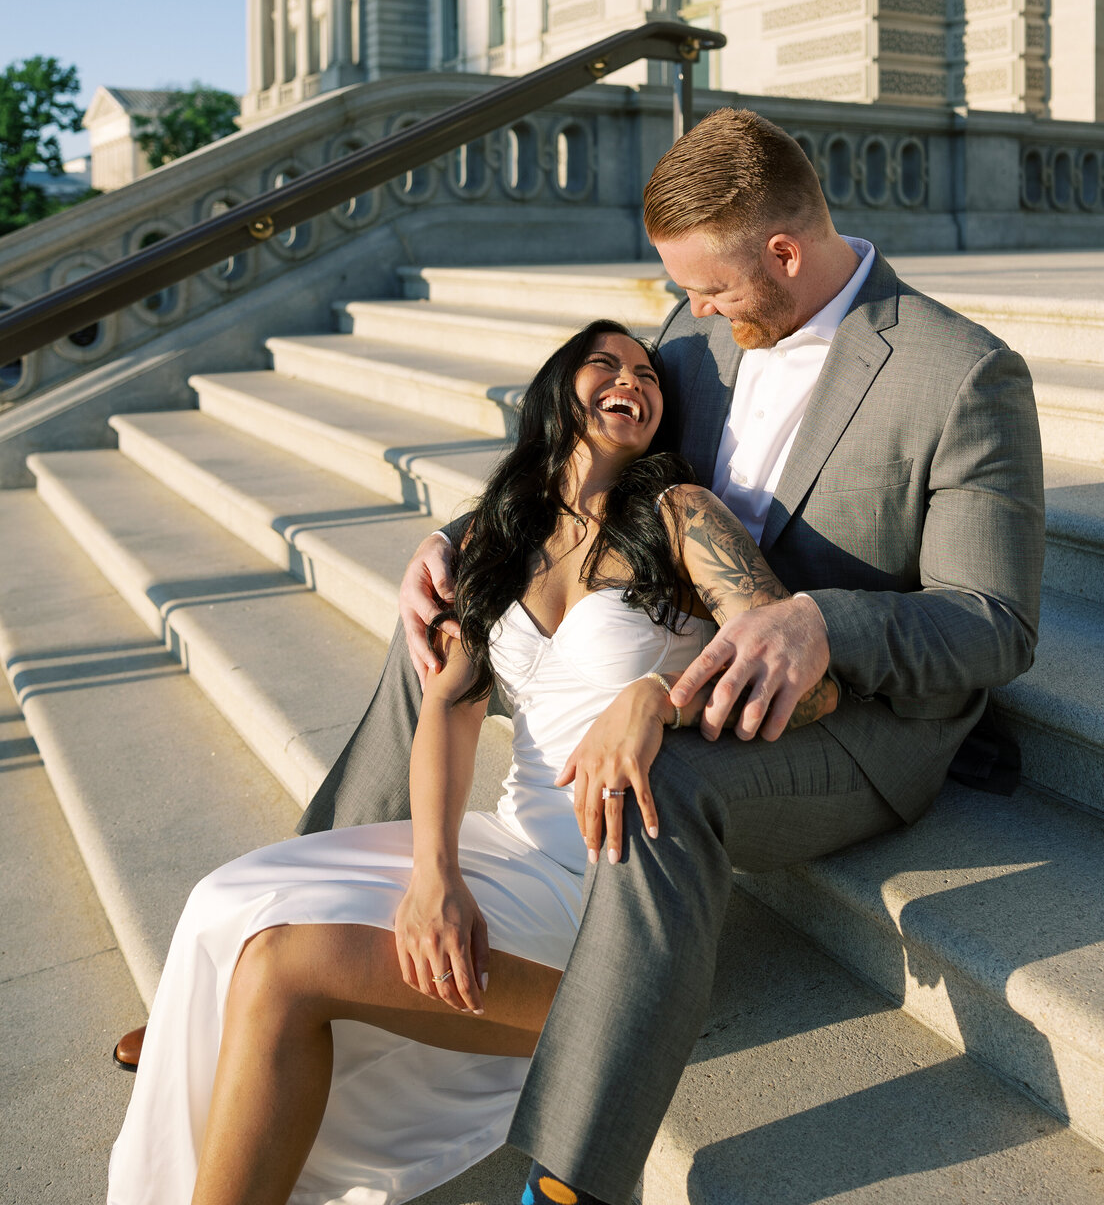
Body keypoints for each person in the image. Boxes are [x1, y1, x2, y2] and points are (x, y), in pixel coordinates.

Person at [288, 107, 1045, 1205]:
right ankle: (299, 917)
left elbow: (995, 623)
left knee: (664, 782)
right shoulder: (699, 340)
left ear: (782, 252)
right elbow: (588, 454)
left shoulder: (962, 374)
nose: (686, 314)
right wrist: (458, 541)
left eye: (710, 287)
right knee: (445, 636)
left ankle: (574, 1179)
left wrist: (823, 620)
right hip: (663, 631)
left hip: (852, 719)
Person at [107, 317, 838, 1205]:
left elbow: (809, 684)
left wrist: (658, 699)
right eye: (603, 364)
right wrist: (434, 875)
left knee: (282, 968)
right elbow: (451, 709)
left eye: (648, 374)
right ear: (553, 396)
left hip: (607, 882)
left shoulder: (682, 517)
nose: (632, 380)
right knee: (221, 899)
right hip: (507, 838)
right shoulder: (503, 536)